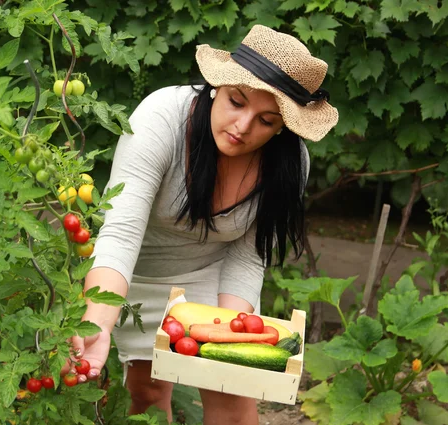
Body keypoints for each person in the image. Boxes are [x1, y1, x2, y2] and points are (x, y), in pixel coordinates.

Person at [61, 24, 339, 425]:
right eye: (236, 102)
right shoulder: (162, 118)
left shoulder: (290, 164)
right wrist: (98, 322)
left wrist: (231, 339)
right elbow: (120, 233)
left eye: (265, 120)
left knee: (233, 403)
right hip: (131, 275)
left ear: (282, 127)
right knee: (146, 392)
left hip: (211, 272)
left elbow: (248, 258)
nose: (242, 127)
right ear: (218, 84)